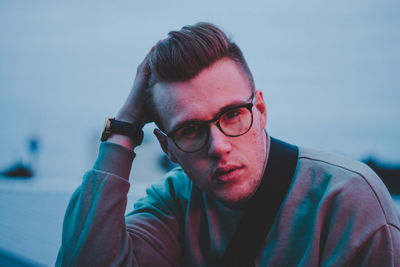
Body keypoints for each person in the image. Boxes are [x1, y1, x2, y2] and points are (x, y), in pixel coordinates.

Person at [56, 22, 400, 266]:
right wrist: (125, 124)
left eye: (233, 114)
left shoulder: (349, 202)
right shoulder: (173, 202)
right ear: (167, 148)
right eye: (190, 130)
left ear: (261, 110)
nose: (218, 146)